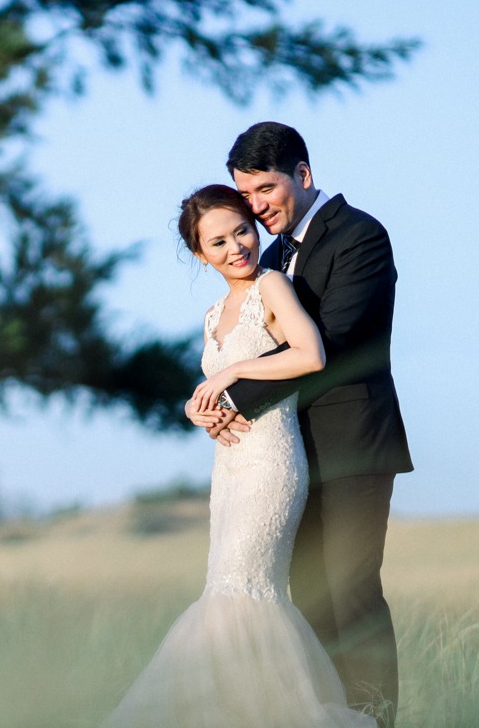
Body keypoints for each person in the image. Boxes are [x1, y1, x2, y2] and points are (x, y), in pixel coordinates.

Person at [99, 184, 375, 728]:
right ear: (201, 254)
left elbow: (311, 353)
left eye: (242, 231)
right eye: (218, 242)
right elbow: (215, 394)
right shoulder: (211, 315)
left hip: (272, 462)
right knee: (224, 586)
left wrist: (230, 372)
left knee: (244, 588)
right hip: (229, 468)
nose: (236, 248)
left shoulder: (272, 284)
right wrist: (197, 409)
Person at [199, 122, 412, 727]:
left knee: (352, 594)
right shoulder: (269, 258)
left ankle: (375, 719)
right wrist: (216, 405)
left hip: (354, 445)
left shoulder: (360, 235)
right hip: (287, 456)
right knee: (309, 599)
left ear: (304, 175)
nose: (257, 206)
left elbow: (335, 342)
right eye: (247, 195)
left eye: (266, 189)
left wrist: (232, 394)